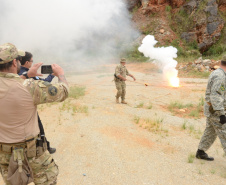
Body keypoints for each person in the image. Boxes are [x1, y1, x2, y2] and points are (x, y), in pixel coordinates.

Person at [0, 43, 69, 184]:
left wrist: (26, 75)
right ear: (14, 62)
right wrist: (60, 74)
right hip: (32, 152)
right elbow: (63, 92)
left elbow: (10, 84)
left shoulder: (24, 83)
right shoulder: (29, 87)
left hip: (5, 154)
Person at [18, 51, 56, 154]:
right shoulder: (29, 74)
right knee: (39, 128)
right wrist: (53, 75)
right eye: (31, 61)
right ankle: (46, 147)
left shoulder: (15, 73)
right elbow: (45, 83)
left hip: (16, 108)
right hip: (28, 108)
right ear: (26, 62)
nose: (32, 63)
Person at [196, 55, 226, 161]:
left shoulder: (217, 72)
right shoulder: (221, 76)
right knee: (224, 133)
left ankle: (201, 151)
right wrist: (221, 113)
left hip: (212, 109)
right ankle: (201, 151)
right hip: (216, 111)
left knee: (210, 131)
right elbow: (216, 95)